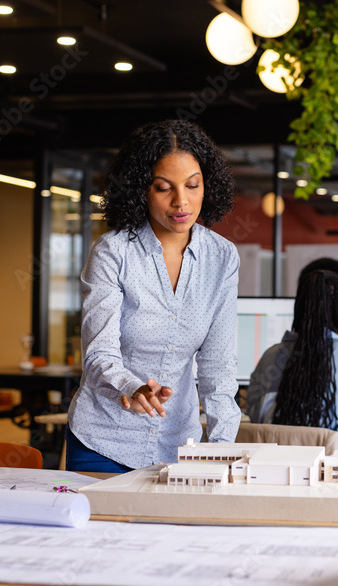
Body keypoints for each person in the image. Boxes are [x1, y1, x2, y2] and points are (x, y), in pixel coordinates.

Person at [66, 119, 240, 472]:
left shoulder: (222, 258)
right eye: (164, 188)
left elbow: (218, 367)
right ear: (141, 189)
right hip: (104, 440)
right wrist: (132, 387)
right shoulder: (113, 252)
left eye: (193, 185)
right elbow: (99, 353)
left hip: (180, 445)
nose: (181, 201)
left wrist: (221, 450)